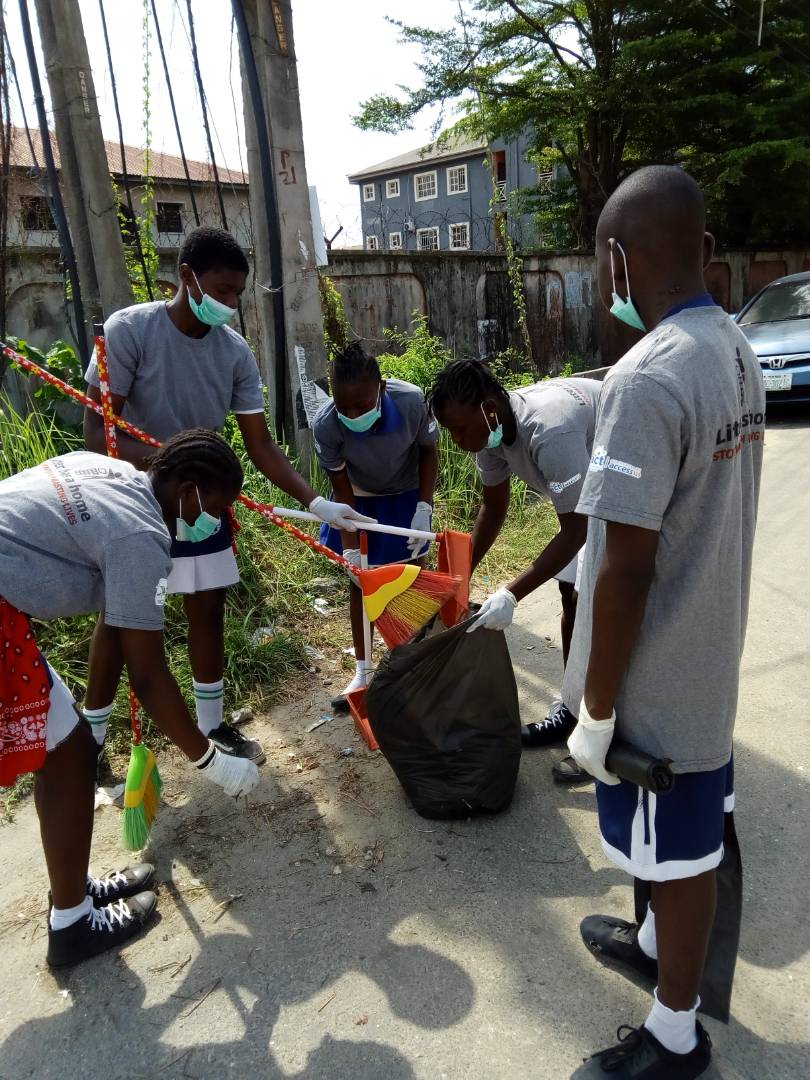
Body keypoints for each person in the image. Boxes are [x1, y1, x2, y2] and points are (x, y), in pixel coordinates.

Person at [563, 166, 765, 1079]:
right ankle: (651, 949)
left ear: (616, 261)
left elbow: (627, 569)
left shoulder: (644, 380)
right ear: (707, 254)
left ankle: (676, 1034)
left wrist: (596, 710)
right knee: (675, 843)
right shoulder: (734, 345)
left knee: (680, 858)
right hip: (711, 650)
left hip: (659, 681)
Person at [83, 226, 370, 765]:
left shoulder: (234, 352)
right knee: (121, 620)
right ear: (187, 277)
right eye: (222, 289)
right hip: (135, 500)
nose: (232, 302)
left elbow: (259, 443)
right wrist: (173, 465)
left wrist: (315, 502)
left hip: (205, 500)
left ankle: (213, 727)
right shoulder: (130, 331)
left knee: (208, 607)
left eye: (238, 291)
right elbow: (99, 435)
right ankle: (91, 744)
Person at [0, 431, 263, 968]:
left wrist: (94, 721)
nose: (216, 521)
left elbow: (115, 624)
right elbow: (149, 677)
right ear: (187, 490)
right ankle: (72, 926)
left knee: (68, 752)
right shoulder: (141, 537)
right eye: (215, 508)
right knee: (68, 756)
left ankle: (71, 892)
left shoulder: (111, 473)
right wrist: (214, 764)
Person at [428, 359, 599, 767]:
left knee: (603, 607)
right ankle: (574, 710)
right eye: (449, 431)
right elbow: (493, 507)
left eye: (459, 429)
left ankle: (601, 736)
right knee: (571, 597)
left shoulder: (549, 430)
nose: (456, 439)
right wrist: (459, 576)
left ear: (488, 408)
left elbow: (576, 531)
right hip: (587, 499)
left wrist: (510, 593)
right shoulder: (492, 435)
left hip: (624, 485)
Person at [312, 341, 439, 703]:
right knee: (360, 582)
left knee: (413, 572)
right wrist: (352, 551)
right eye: (343, 405)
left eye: (363, 404)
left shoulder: (411, 402)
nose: (352, 414)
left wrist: (423, 507)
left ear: (381, 388)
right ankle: (364, 673)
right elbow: (341, 487)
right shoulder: (326, 425)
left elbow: (429, 450)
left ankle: (414, 661)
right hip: (358, 496)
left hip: (406, 491)